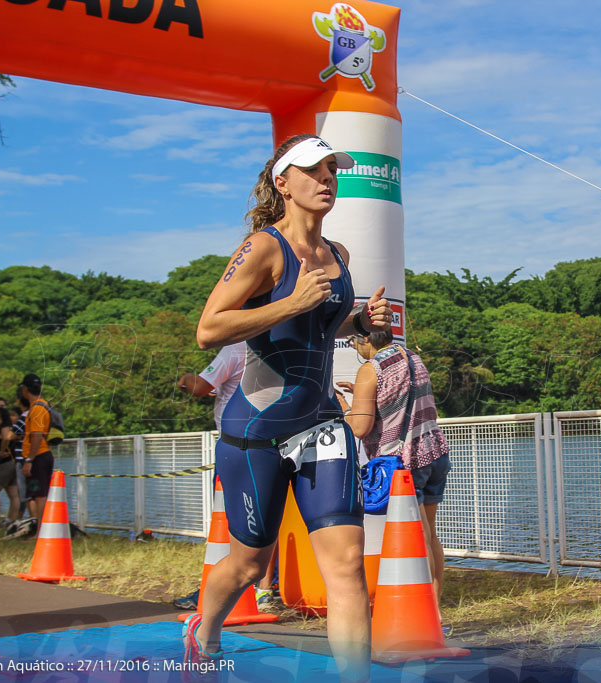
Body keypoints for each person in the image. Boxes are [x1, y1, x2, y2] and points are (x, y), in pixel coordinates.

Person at [190, 134, 390, 680]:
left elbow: (321, 329)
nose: (327, 179)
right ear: (284, 183)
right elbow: (209, 329)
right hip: (256, 429)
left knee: (347, 565)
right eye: (314, 170)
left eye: (333, 169)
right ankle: (204, 631)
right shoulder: (261, 249)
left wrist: (363, 324)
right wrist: (291, 301)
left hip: (323, 423)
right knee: (251, 564)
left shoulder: (338, 255)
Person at [335, 329, 452, 609]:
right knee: (430, 533)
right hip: (434, 449)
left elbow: (360, 427)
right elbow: (401, 397)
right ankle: (434, 608)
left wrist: (341, 406)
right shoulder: (410, 356)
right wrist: (362, 395)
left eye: (354, 343)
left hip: (405, 459)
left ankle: (421, 611)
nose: (355, 349)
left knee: (417, 535)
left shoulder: (370, 368)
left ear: (364, 339)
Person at [173, 342, 279, 612]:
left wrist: (185, 379)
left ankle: (220, 591)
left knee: (228, 521)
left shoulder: (234, 349)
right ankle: (265, 589)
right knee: (269, 517)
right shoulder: (278, 344)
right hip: (273, 440)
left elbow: (199, 387)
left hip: (236, 444)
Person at [19, 373, 54, 526]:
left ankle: (41, 530)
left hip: (39, 456)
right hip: (38, 456)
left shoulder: (37, 409)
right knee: (34, 494)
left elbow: (37, 437)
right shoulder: (37, 406)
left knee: (40, 496)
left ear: (25, 389)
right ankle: (38, 529)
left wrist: (29, 460)